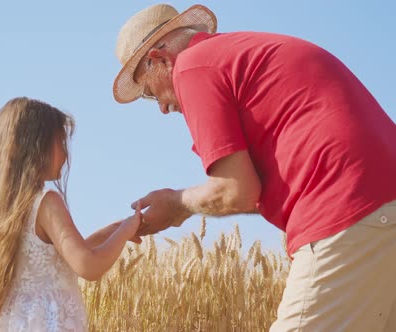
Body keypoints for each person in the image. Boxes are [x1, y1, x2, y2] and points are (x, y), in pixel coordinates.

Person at [112, 4, 396, 331]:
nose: (162, 108)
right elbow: (256, 190)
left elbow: (234, 191)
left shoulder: (191, 66)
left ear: (161, 59)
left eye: (150, 93)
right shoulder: (242, 53)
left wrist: (177, 205)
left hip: (347, 211)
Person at [0, 97, 142, 331]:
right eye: (61, 143)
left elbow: (57, 259)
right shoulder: (47, 202)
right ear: (36, 145)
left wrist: (112, 233)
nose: (66, 155)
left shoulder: (6, 211)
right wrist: (124, 233)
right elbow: (87, 265)